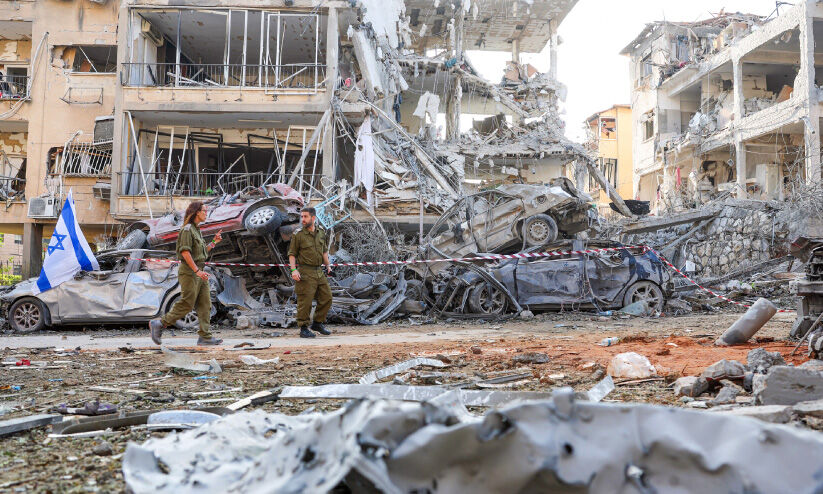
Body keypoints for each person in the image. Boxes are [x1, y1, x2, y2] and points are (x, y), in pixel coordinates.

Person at [150, 201, 223, 346]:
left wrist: (214, 242)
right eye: (204, 211)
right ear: (196, 212)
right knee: (187, 304)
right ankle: (159, 323)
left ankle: (205, 337)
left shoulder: (196, 230)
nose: (206, 213)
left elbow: (202, 252)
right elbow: (185, 252)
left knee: (205, 304)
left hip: (199, 271)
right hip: (190, 272)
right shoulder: (187, 230)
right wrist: (196, 271)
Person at [288, 207, 332, 338]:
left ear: (313, 218)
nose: (303, 219)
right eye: (301, 216)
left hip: (319, 271)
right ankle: (303, 328)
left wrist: (328, 266)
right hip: (305, 271)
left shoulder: (321, 232)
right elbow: (292, 254)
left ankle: (318, 323)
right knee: (305, 301)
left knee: (327, 297)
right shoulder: (298, 234)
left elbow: (324, 251)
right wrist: (294, 270)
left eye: (305, 216)